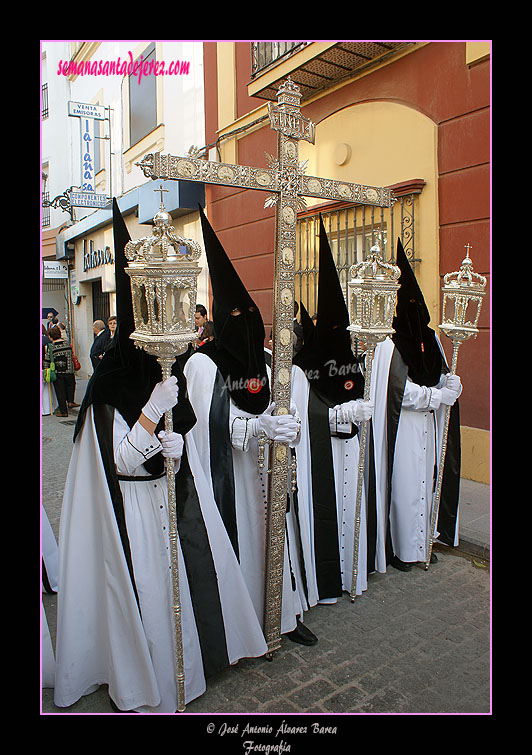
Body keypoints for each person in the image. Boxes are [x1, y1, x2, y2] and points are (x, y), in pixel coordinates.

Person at [53, 200, 267, 714]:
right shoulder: (110, 381)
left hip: (168, 501)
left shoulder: (164, 370)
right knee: (147, 592)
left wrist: (177, 446)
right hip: (132, 513)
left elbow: (187, 432)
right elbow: (122, 460)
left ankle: (188, 671)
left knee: (183, 592)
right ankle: (151, 682)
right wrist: (151, 416)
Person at [184, 207, 316, 645]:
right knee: (244, 543)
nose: (244, 326)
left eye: (249, 315)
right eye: (234, 318)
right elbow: (208, 425)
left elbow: (283, 406)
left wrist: (288, 425)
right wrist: (258, 430)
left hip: (270, 472)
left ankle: (284, 614)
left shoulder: (264, 360)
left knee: (276, 538)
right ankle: (246, 626)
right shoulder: (203, 364)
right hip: (234, 480)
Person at [292, 216, 374, 603]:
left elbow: (358, 391)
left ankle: (352, 575)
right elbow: (305, 411)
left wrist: (362, 407)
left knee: (350, 511)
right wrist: (341, 416)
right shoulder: (306, 361)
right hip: (321, 454)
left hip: (351, 448)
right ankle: (326, 582)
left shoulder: (353, 358)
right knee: (327, 513)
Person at [369, 239, 462, 572]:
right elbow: (400, 392)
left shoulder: (431, 338)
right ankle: (401, 550)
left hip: (430, 427)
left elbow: (442, 373)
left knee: (428, 481)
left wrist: (452, 385)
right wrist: (437, 397)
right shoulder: (388, 343)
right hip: (404, 427)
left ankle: (424, 544)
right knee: (406, 487)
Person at [43, 326, 77, 417]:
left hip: (58, 372)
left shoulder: (51, 347)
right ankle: (70, 401)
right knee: (70, 386)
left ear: (51, 337)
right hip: (69, 370)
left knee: (60, 391)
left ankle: (63, 411)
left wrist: (46, 370)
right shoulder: (67, 344)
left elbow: (47, 360)